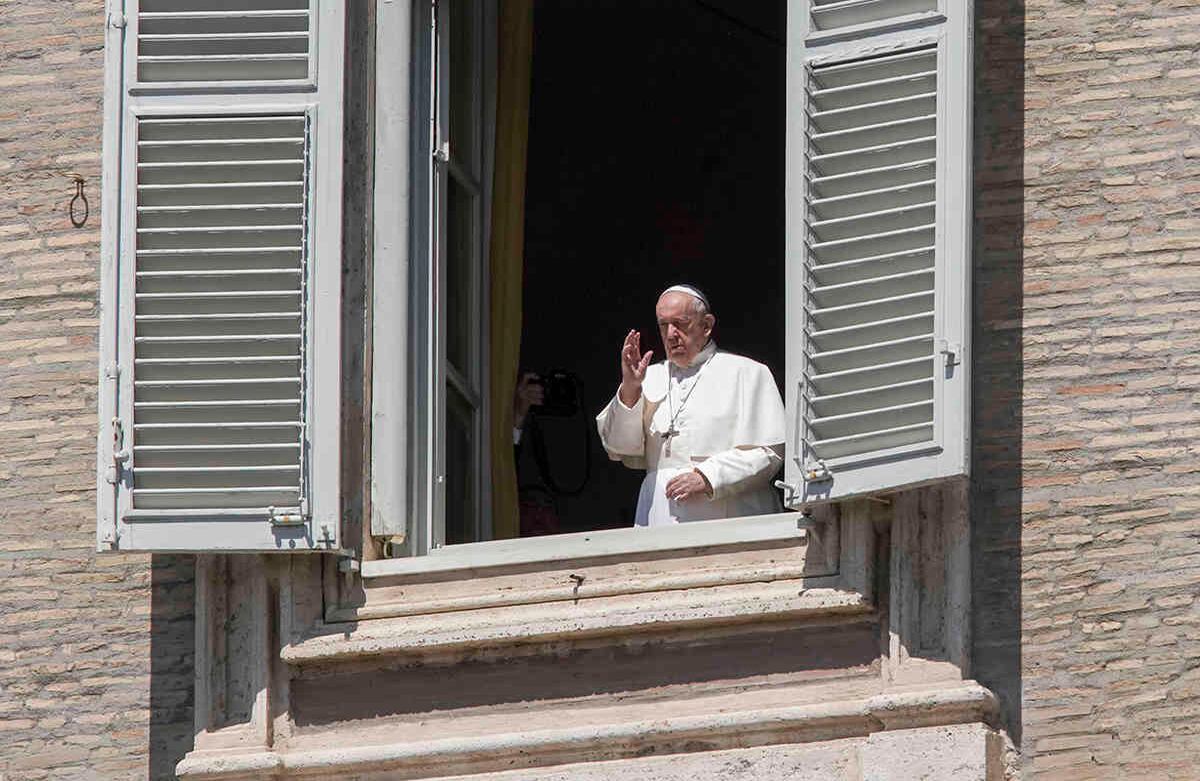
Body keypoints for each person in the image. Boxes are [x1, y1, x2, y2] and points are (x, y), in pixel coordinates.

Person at [596, 284, 786, 527]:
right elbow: (617, 448)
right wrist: (630, 388)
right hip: (661, 516)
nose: (671, 334)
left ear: (706, 325)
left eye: (680, 323)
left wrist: (708, 477)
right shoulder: (646, 378)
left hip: (731, 514)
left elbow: (770, 452)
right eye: (663, 325)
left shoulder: (747, 372)